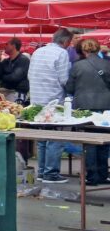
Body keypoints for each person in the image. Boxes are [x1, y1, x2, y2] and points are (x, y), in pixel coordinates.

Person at [29, 28, 75, 184]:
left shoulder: (38, 52)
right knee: (56, 137)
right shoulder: (61, 54)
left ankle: (42, 171)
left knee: (42, 138)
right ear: (66, 42)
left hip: (36, 99)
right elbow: (64, 79)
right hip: (53, 100)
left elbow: (29, 75)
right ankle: (51, 173)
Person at [66, 39, 110, 185]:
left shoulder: (77, 66)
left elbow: (69, 89)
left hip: (84, 108)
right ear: (98, 49)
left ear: (84, 50)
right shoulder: (107, 64)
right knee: (104, 141)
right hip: (106, 107)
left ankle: (92, 176)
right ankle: (103, 174)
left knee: (89, 142)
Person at [0, 38, 29, 102]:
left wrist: (2, 76)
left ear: (14, 46)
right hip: (5, 95)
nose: (5, 46)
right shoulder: (5, 61)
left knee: (14, 111)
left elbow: (14, 77)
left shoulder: (23, 60)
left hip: (17, 94)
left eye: (7, 44)